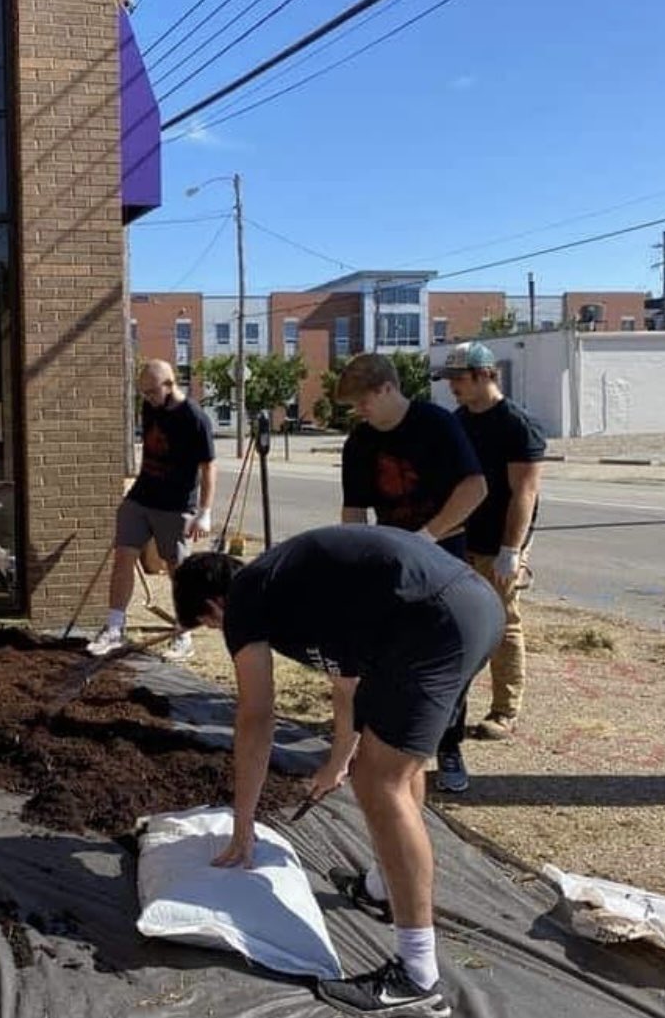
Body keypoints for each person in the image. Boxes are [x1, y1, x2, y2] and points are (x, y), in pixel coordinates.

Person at [172, 526, 504, 1018]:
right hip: (470, 609)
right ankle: (382, 887)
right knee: (396, 762)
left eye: (210, 626)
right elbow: (349, 688)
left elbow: (255, 716)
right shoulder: (303, 592)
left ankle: (417, 976)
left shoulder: (247, 597)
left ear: (213, 606)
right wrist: (335, 762)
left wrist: (243, 826)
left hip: (433, 619)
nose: (223, 634)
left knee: (379, 779)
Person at [336, 352, 487, 794]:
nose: (359, 411)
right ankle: (382, 743)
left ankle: (449, 745)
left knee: (446, 657)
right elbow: (353, 508)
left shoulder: (436, 425)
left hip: (445, 556)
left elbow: (475, 487)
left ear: (386, 389)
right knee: (387, 655)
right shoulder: (360, 443)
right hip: (392, 561)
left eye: (363, 402)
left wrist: (427, 535)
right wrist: (356, 560)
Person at [437, 341, 547, 740]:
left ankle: (504, 710)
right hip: (460, 537)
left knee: (503, 623)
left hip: (500, 541)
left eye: (459, 379)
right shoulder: (458, 421)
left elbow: (525, 493)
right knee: (454, 622)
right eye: (449, 380)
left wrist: (510, 551)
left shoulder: (517, 425)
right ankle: (448, 704)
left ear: (485, 375)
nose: (453, 387)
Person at [86, 359, 215, 661]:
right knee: (123, 558)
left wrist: (205, 512)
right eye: (143, 393)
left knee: (178, 572)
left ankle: (183, 636)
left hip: (176, 505)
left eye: (152, 392)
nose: (148, 399)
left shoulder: (194, 418)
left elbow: (209, 466)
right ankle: (115, 628)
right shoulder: (151, 407)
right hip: (141, 497)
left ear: (170, 385)